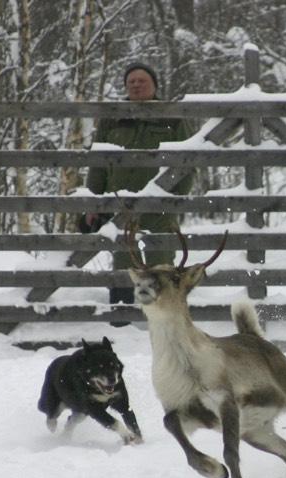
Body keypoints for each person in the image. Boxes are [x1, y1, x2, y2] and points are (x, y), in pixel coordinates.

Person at [82, 61, 193, 324]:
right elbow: (98, 162)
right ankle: (121, 321)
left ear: (154, 86)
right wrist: (93, 201)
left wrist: (175, 200)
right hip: (120, 203)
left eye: (142, 80)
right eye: (131, 81)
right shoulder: (113, 117)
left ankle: (165, 319)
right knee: (124, 261)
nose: (136, 85)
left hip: (159, 203)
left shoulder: (171, 116)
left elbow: (188, 163)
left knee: (161, 262)